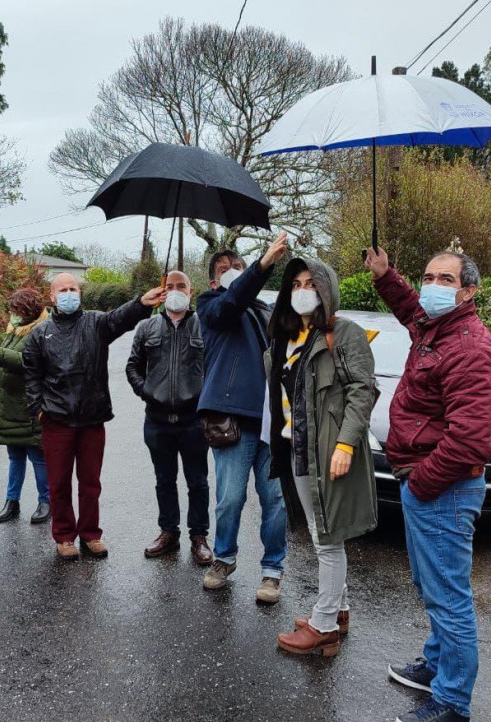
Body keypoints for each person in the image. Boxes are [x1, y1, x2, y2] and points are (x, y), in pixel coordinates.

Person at [366, 246, 491, 722]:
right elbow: (409, 308)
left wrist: (422, 482)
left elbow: (472, 437)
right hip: (424, 481)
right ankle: (436, 664)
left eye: (444, 279)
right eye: (428, 276)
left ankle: (453, 704)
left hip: (443, 487)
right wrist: (387, 276)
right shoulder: (435, 328)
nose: (432, 285)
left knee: (449, 596)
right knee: (433, 586)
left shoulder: (470, 347)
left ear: (468, 291)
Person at [265, 257, 378, 657]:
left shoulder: (343, 333)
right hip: (295, 447)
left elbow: (362, 391)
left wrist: (345, 444)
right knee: (319, 532)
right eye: (295, 284)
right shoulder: (287, 336)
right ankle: (340, 609)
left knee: (326, 539)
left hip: (327, 451)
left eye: (310, 283)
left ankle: (324, 624)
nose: (302, 291)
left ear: (326, 289)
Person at [22, 272, 165, 560]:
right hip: (56, 420)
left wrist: (142, 303)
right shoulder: (39, 334)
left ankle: (90, 534)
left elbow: (120, 319)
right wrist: (38, 409)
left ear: (80, 293)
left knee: (90, 483)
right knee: (59, 482)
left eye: (73, 288)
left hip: (92, 417)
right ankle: (64, 536)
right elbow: (31, 376)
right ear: (52, 297)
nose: (68, 293)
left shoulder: (96, 323)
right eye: (62, 289)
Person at [196, 232, 290, 604]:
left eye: (239, 265)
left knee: (276, 501)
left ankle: (272, 571)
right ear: (213, 281)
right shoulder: (211, 304)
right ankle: (224, 559)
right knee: (230, 499)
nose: (235, 272)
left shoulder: (265, 311)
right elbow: (232, 303)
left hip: (274, 421)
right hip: (233, 419)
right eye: (226, 269)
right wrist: (262, 265)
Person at [126, 270, 212, 565]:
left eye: (181, 286)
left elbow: (213, 367)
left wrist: (204, 398)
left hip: (194, 422)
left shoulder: (204, 327)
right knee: (164, 479)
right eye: (170, 286)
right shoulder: (147, 328)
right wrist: (147, 391)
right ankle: (168, 532)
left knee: (197, 480)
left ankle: (199, 536)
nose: (175, 290)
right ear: (162, 291)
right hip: (157, 420)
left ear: (191, 291)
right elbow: (133, 367)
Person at [0, 288, 52, 525]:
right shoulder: (16, 331)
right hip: (11, 407)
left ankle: (46, 501)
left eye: (16, 310)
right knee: (15, 455)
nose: (12, 314)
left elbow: (25, 361)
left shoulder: (42, 332)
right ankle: (12, 501)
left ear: (28, 311)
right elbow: (8, 357)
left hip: (30, 407)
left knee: (37, 456)